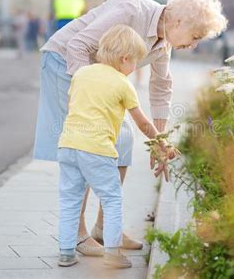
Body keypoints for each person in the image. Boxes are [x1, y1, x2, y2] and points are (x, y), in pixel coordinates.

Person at [33, 0, 228, 256]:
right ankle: (77, 236)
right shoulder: (130, 10)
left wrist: (160, 141)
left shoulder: (164, 43)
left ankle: (104, 229)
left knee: (122, 141)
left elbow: (161, 88)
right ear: (179, 22)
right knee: (88, 145)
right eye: (195, 38)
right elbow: (76, 46)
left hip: (99, 78)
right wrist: (89, 90)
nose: (194, 45)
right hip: (65, 63)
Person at [57, 25, 173, 268]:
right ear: (124, 59)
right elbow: (142, 123)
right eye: (135, 63)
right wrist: (161, 141)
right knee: (111, 198)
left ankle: (67, 252)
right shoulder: (123, 84)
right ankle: (111, 254)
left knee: (70, 199)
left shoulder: (82, 74)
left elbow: (71, 107)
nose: (134, 69)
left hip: (68, 145)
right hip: (97, 148)